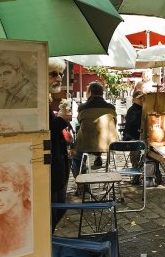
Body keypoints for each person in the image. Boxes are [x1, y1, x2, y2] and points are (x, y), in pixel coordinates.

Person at [72, 82, 119, 175]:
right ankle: (98, 156)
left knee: (77, 157)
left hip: (87, 144)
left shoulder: (82, 108)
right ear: (102, 93)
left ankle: (81, 182)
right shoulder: (111, 108)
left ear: (90, 92)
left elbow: (80, 122)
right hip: (109, 144)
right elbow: (114, 123)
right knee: (99, 133)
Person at [50, 99, 74, 231]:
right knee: (55, 208)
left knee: (59, 206)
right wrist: (60, 120)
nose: (59, 77)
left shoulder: (47, 107)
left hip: (58, 165)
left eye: (60, 75)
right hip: (52, 168)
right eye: (54, 76)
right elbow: (47, 132)